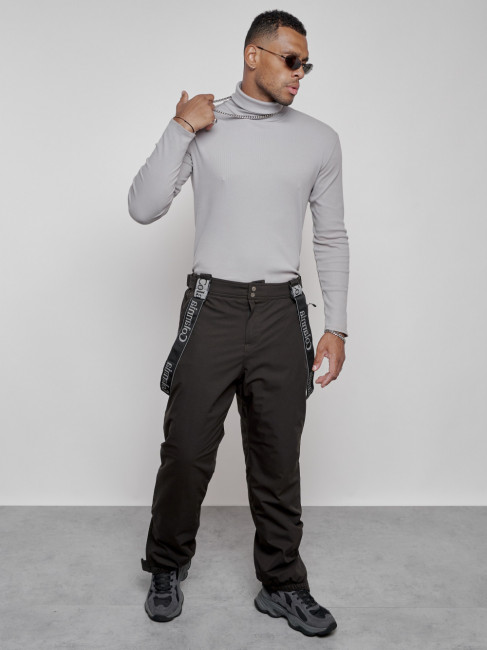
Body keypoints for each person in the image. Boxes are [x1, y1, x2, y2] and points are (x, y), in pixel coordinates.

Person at [127, 9, 348, 638]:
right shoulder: (205, 123)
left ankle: (282, 585)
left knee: (277, 459)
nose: (300, 73)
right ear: (254, 56)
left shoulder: (320, 139)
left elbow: (331, 235)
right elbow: (143, 206)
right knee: (187, 451)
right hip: (212, 305)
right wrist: (179, 127)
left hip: (282, 311)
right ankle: (167, 566)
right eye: (290, 60)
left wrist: (337, 325)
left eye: (306, 64)